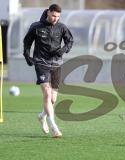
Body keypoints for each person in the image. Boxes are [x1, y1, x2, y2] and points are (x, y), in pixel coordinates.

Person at [23, 4, 73, 137]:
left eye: (58, 16)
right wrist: (27, 55)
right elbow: (27, 42)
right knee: (46, 92)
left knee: (53, 98)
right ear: (48, 13)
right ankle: (54, 127)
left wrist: (63, 50)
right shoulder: (36, 26)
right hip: (41, 62)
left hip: (56, 64)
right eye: (53, 15)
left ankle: (42, 116)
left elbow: (70, 41)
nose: (55, 18)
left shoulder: (62, 27)